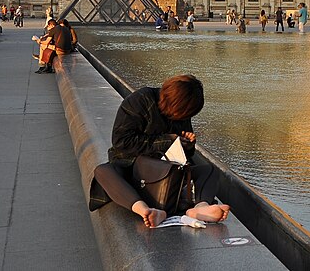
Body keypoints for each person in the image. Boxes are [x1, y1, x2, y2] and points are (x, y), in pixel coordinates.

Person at [89, 75, 231, 227]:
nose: (180, 118)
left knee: (209, 171)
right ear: (170, 101)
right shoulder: (141, 100)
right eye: (178, 114)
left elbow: (183, 157)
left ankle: (200, 208)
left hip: (167, 173)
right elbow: (121, 142)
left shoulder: (182, 112)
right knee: (103, 171)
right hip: (133, 169)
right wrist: (166, 140)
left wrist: (188, 146)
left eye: (184, 116)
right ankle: (143, 209)